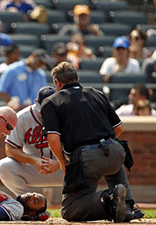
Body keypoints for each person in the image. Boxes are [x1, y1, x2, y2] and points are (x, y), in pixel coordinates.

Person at [40, 62, 143, 222]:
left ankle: (111, 198)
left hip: (87, 156)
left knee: (69, 209)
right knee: (112, 162)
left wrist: (63, 161)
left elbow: (53, 139)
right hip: (116, 151)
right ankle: (128, 206)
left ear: (57, 83)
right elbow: (119, 128)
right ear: (77, 78)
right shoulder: (97, 93)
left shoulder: (51, 101)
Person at [0, 86, 63, 196]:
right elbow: (10, 150)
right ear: (36, 102)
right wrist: (34, 161)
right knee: (4, 166)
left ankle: (76, 201)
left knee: (86, 161)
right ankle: (29, 203)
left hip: (62, 168)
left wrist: (61, 163)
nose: (44, 114)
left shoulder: (67, 115)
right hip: (34, 168)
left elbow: (78, 148)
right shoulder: (22, 117)